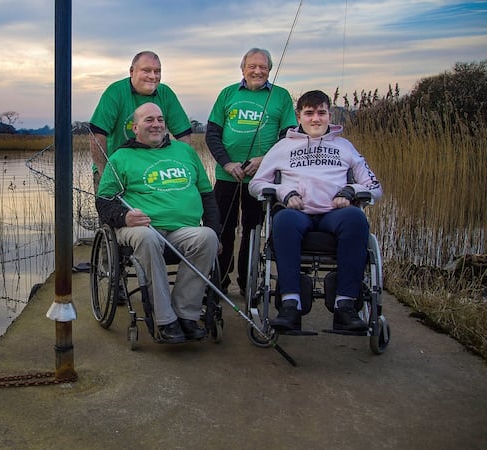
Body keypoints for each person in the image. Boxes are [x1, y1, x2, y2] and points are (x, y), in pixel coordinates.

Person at [248, 90, 383, 332]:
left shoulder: (345, 147)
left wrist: (350, 191)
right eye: (309, 113)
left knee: (356, 219)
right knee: (283, 220)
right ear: (299, 116)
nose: (316, 119)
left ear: (329, 115)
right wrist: (284, 192)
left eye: (321, 113)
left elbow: (374, 187)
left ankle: (345, 306)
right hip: (297, 212)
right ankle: (290, 304)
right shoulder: (283, 147)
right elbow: (256, 184)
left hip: (335, 213)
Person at [96, 102, 222, 344]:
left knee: (207, 237)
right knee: (148, 237)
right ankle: (165, 319)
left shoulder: (185, 152)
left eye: (160, 119)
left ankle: (186, 314)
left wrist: (215, 230)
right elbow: (103, 202)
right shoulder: (120, 157)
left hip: (183, 230)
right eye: (149, 120)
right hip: (140, 228)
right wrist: (124, 217)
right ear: (135, 128)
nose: (156, 124)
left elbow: (207, 196)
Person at [205, 48, 297, 296]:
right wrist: (227, 163)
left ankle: (248, 283)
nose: (257, 71)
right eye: (252, 66)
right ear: (243, 69)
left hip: (262, 178)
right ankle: (219, 283)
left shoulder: (281, 96)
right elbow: (212, 134)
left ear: (270, 69)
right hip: (227, 176)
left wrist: (264, 161)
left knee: (252, 230)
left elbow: (288, 137)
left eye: (263, 67)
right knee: (222, 229)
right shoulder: (227, 94)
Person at [90, 51, 193, 192]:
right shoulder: (115, 92)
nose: (153, 76)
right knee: (113, 205)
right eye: (146, 70)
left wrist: (181, 168)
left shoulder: (166, 94)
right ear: (132, 72)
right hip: (116, 170)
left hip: (154, 171)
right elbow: (97, 135)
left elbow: (184, 137)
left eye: (157, 71)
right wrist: (106, 174)